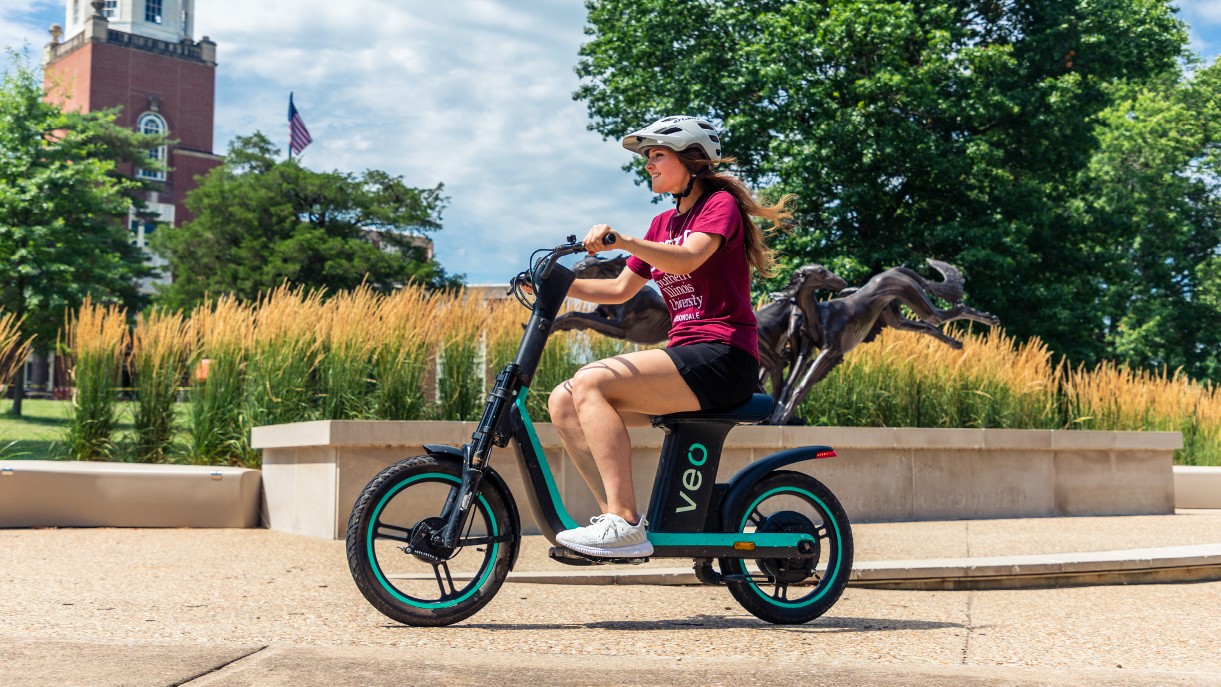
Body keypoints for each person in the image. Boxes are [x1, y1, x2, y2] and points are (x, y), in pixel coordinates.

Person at [549, 115, 794, 558]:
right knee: (563, 399)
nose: (649, 165)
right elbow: (618, 290)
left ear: (691, 159)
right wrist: (554, 285)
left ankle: (623, 521)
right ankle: (616, 525)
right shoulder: (662, 224)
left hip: (723, 354)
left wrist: (624, 240)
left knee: (591, 380)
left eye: (657, 155)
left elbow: (687, 260)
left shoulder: (719, 205)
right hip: (687, 357)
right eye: (649, 157)